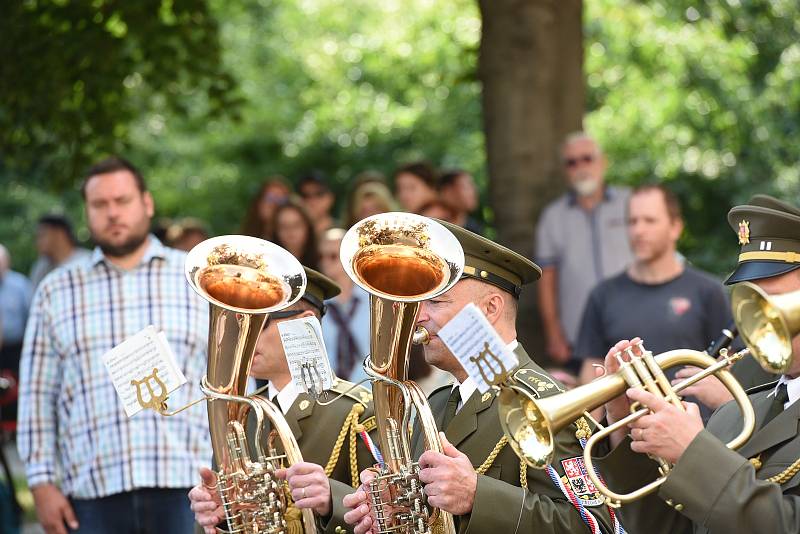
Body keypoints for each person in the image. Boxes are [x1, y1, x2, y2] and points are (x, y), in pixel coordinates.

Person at [342, 221, 619, 534]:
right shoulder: (437, 403)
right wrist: (395, 510)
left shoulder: (544, 402)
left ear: (491, 308)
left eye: (435, 301)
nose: (418, 316)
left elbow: (595, 526)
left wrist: (479, 496)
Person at [17, 156, 211, 534]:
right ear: (86, 212)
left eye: (122, 201)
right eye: (100, 205)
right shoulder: (56, 290)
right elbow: (38, 395)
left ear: (147, 203)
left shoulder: (196, 278)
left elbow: (231, 381)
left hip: (191, 485)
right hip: (92, 488)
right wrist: (40, 482)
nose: (112, 213)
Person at [595, 195, 800, 534]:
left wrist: (693, 453)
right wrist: (625, 426)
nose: (761, 321)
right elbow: (665, 528)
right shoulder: (732, 416)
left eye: (776, 300)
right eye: (754, 301)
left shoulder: (730, 414)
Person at [188, 267, 378, 534]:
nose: (242, 337)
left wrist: (331, 500)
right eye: (238, 322)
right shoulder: (241, 416)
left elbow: (391, 517)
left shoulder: (357, 409)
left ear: (305, 323)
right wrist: (216, 516)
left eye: (258, 321)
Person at [574, 185, 733, 416]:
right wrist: (588, 438)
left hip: (697, 436)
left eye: (649, 220)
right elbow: (592, 373)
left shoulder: (708, 291)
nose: (638, 230)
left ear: (675, 227)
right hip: (627, 439)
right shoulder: (602, 294)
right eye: (632, 221)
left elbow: (729, 368)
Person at [536, 132, 632, 370]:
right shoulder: (553, 217)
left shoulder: (631, 203)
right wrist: (553, 333)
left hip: (634, 323)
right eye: (571, 162)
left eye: (587, 158)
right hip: (580, 337)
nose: (580, 167)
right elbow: (546, 279)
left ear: (602, 162)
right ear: (565, 170)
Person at [318, 228, 371, 385]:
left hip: (371, 387)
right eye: (322, 256)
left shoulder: (373, 301)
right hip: (331, 392)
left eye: (332, 256)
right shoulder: (316, 306)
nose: (325, 262)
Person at [0, 244, 32, 432]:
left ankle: (19, 426)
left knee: (17, 391)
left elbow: (31, 316)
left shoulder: (20, 284)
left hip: (17, 348)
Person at [28, 215, 91, 289]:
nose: (37, 242)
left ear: (59, 234)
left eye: (42, 235)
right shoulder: (41, 268)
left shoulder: (89, 262)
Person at [273, 199, 320, 270]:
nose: (290, 231)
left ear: (307, 227)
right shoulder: (268, 262)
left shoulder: (322, 260)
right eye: (284, 226)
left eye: (296, 225)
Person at [241, 176, 292, 240]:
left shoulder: (289, 241)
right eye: (270, 197)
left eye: (281, 200)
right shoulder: (243, 237)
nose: (274, 204)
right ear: (259, 202)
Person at [438, 169, 484, 235]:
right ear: (447, 191)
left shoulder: (473, 229)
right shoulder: (430, 224)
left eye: (473, 186)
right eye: (466, 187)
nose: (473, 192)